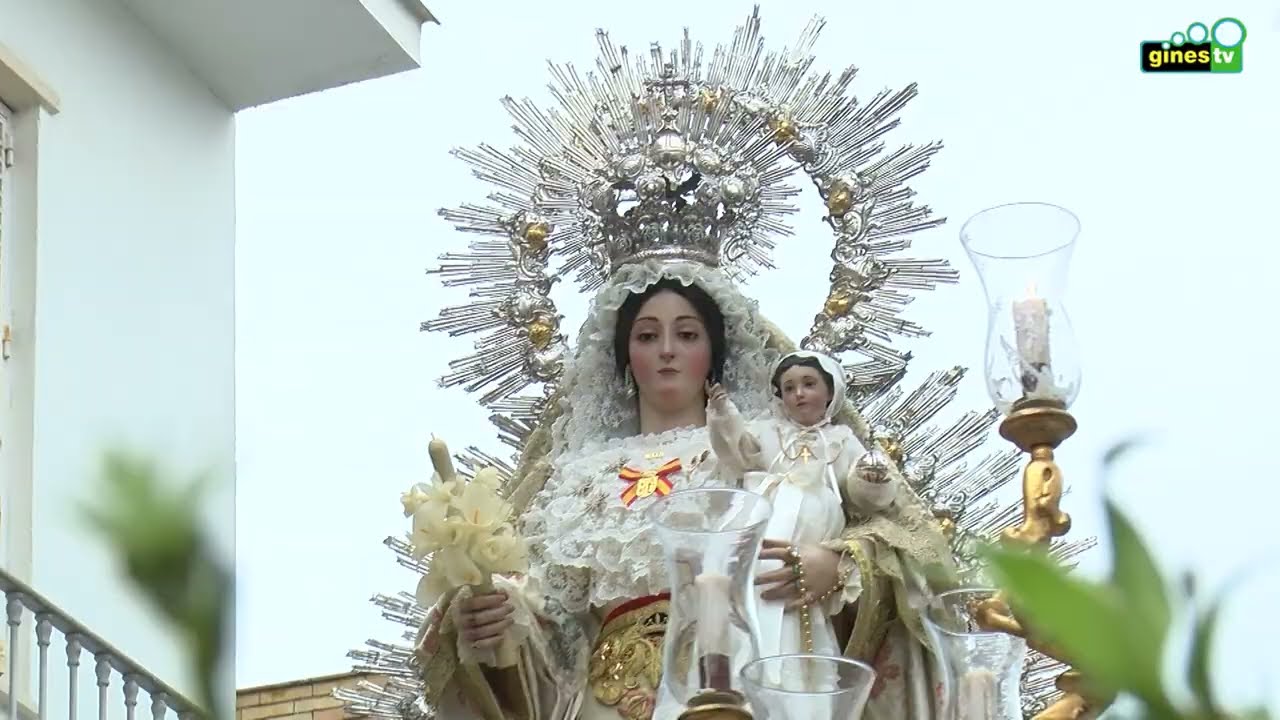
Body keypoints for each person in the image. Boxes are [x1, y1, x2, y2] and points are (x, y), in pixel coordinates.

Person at [705, 350, 899, 674]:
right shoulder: (770, 433)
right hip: (765, 524)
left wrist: (871, 478)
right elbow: (738, 450)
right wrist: (724, 413)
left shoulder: (842, 439)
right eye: (789, 387)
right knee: (753, 588)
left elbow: (862, 494)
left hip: (813, 540)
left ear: (830, 391)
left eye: (809, 384)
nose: (799, 394)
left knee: (798, 616)